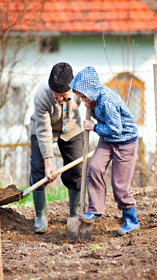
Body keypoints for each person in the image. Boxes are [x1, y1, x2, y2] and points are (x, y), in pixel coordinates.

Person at [69, 66, 139, 235]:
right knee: (94, 168)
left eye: (84, 97)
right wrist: (90, 109)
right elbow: (109, 132)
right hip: (107, 140)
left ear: (91, 91)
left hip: (125, 141)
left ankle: (131, 220)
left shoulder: (107, 101)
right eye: (81, 97)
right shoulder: (93, 100)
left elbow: (116, 129)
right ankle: (95, 210)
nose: (84, 101)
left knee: (119, 184)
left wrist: (94, 127)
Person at [30, 62, 83, 233]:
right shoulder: (41, 96)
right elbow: (44, 131)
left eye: (63, 95)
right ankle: (41, 216)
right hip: (44, 129)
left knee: (77, 167)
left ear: (72, 88)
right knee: (38, 169)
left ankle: (75, 214)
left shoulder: (79, 91)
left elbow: (91, 104)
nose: (59, 99)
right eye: (55, 94)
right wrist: (48, 163)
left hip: (72, 127)